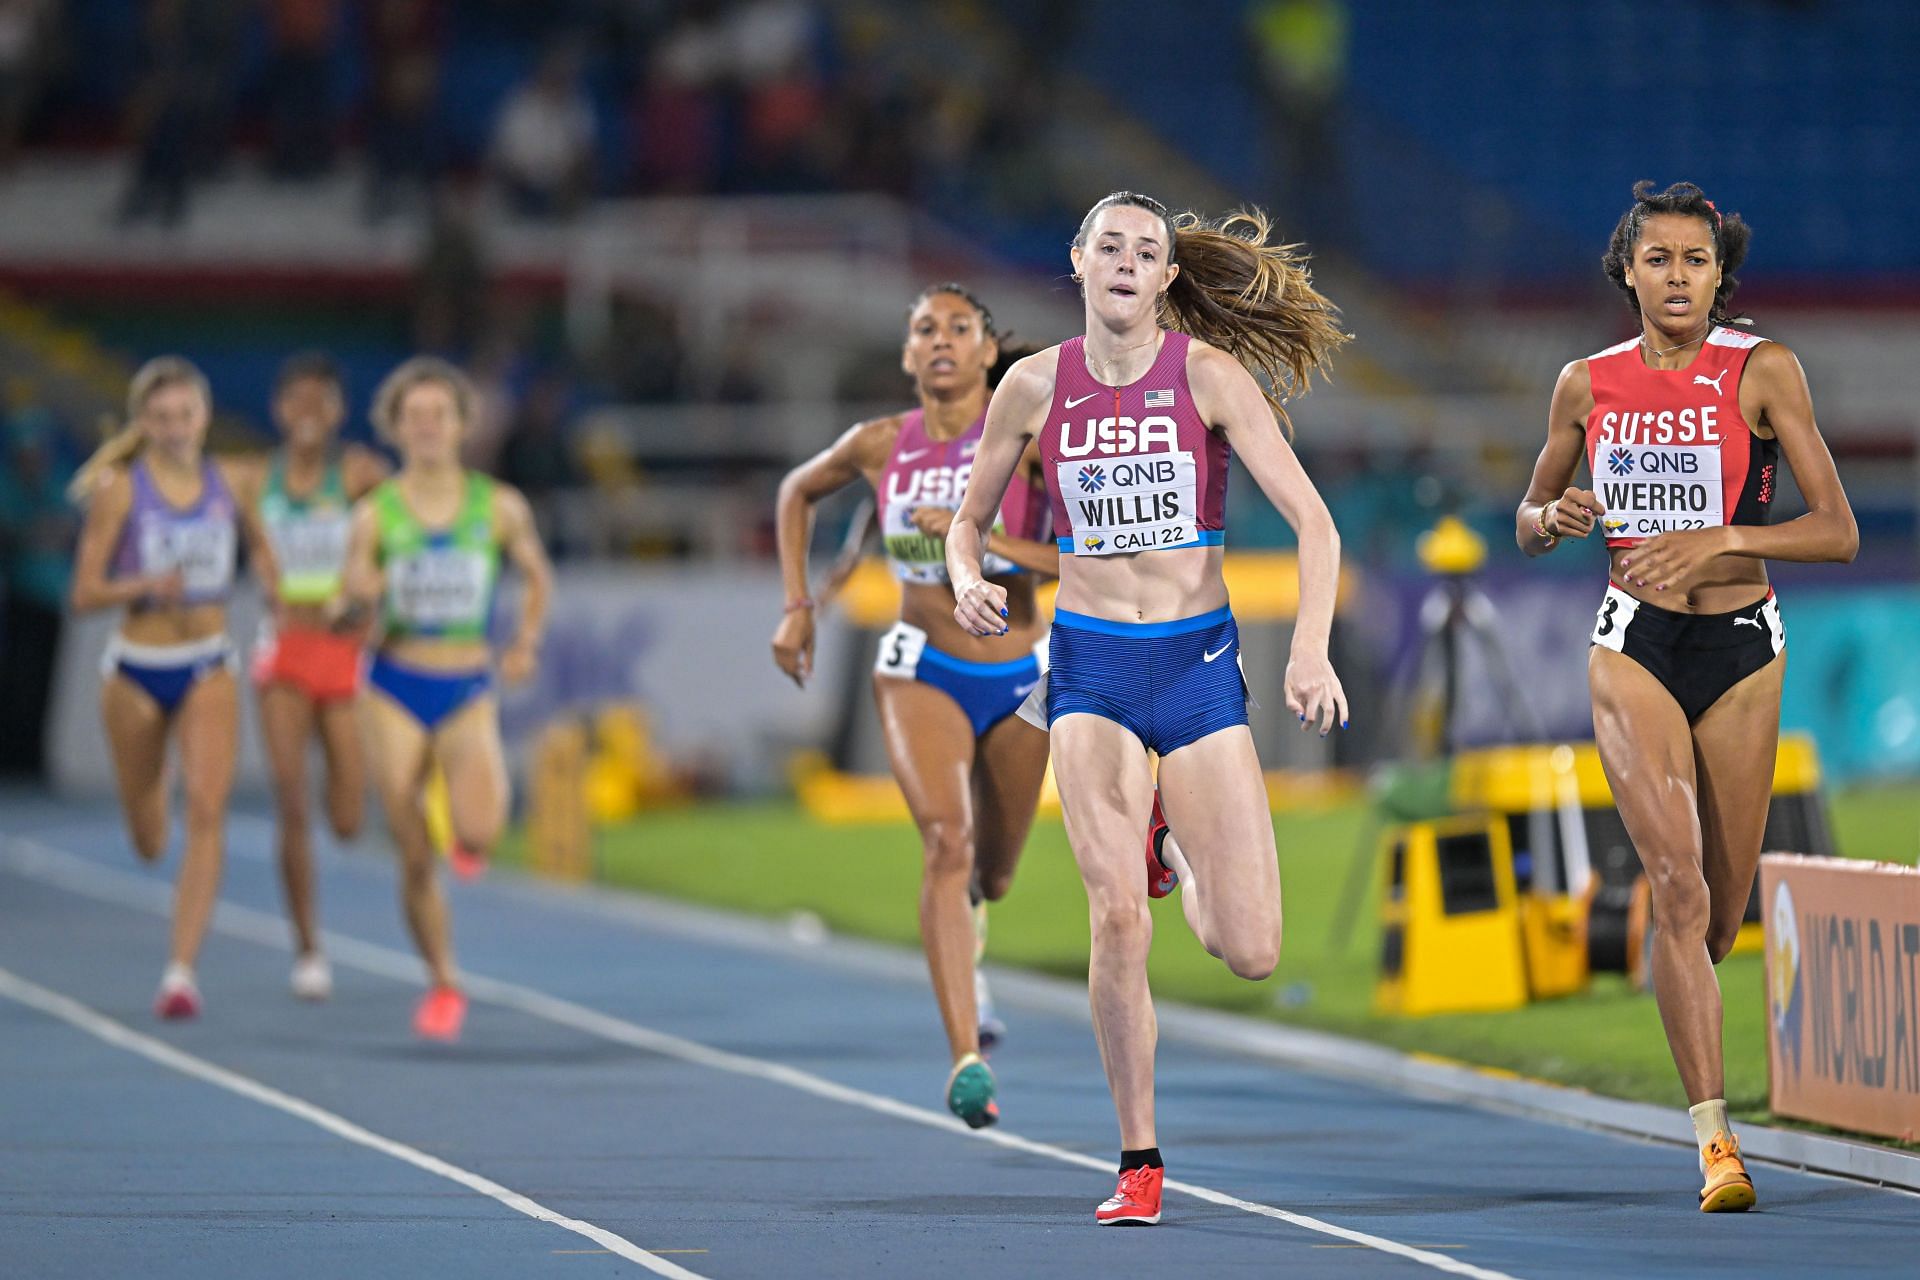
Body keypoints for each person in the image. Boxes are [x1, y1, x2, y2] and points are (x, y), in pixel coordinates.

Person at [946, 192, 1349, 1225]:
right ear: (1077, 259)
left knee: (1251, 947)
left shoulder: (1210, 378)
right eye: (1109, 244)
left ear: (1168, 277)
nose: (1127, 260)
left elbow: (1315, 524)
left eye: (1147, 250)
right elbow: (968, 518)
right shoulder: (1032, 387)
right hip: (1089, 669)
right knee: (1116, 913)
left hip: (1196, 663)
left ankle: (1171, 841)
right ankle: (1138, 1158)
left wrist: (1308, 649)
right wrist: (965, 575)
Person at [1516, 181, 1856, 1213]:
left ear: (1721, 275)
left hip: (1744, 646)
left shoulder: (1762, 371)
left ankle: (1652, 943)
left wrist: (1724, 537)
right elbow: (1529, 515)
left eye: (1695, 261)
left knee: (1716, 912)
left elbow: (1836, 527)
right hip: (1635, 640)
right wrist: (1555, 512)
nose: (1676, 277)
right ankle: (1717, 1143)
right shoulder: (1585, 383)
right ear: (1628, 270)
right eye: (1658, 258)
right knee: (1678, 884)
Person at [772, 284, 1064, 1129]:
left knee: (995, 871)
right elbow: (796, 491)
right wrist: (797, 604)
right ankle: (966, 1058)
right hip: (919, 662)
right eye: (923, 329)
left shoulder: (1032, 443)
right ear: (907, 355)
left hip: (1019, 673)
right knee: (944, 840)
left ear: (986, 351)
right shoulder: (878, 444)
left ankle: (974, 916)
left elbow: (1079, 562)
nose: (940, 340)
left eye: (959, 329)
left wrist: (974, 538)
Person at [342, 356, 552, 1041]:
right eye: (415, 417)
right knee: (410, 848)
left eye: (440, 415)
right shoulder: (376, 515)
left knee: (481, 831)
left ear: (463, 425)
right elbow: (345, 600)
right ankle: (442, 980)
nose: (428, 427)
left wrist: (523, 642)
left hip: (465, 687)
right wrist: (360, 599)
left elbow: (537, 576)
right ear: (395, 428)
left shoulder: (498, 506)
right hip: (394, 684)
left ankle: (465, 827)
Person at [68, 357, 278, 1018]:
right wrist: (143, 586)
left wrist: (277, 583)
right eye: (161, 418)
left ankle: (180, 973)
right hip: (136, 666)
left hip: (207, 661)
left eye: (185, 415)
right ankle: (148, 791)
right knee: (151, 835)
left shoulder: (233, 481)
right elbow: (84, 592)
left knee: (208, 812)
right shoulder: (120, 490)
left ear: (205, 417)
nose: (175, 428)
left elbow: (268, 546)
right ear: (143, 423)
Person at [245, 353, 388, 1000]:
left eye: (320, 402)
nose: (307, 413)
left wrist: (363, 603)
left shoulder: (358, 476)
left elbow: (390, 553)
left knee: (350, 815)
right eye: (295, 401)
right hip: (285, 649)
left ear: (338, 412)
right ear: (278, 411)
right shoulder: (256, 480)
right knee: (290, 796)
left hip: (340, 652)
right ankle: (308, 946)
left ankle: (345, 793)